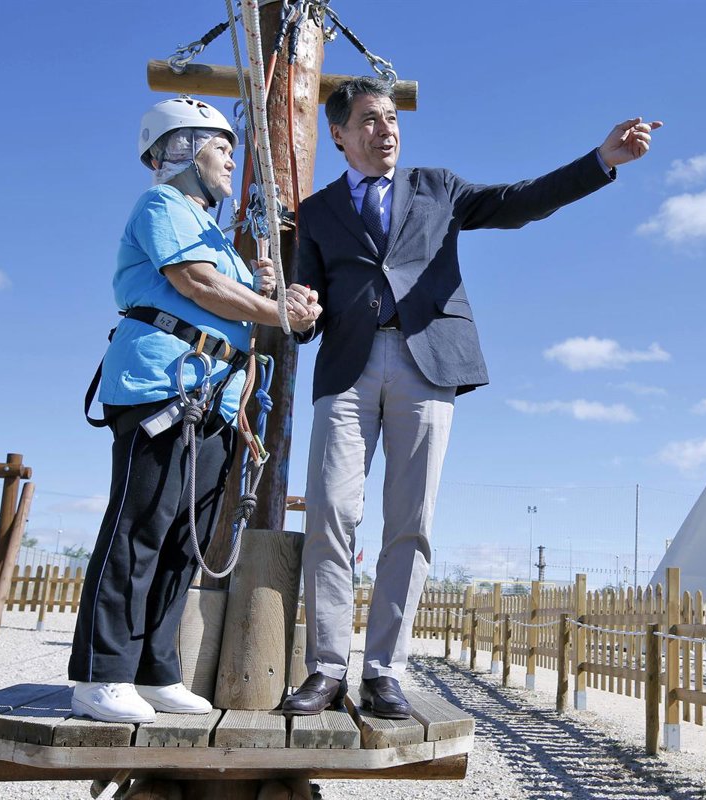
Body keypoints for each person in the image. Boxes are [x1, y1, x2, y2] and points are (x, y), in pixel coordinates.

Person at [283, 75, 661, 719]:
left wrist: (601, 160)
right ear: (339, 134)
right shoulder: (316, 212)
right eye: (370, 119)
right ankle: (326, 669)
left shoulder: (439, 187)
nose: (385, 129)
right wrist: (297, 311)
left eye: (391, 117)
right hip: (346, 370)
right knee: (330, 514)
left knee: (410, 522)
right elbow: (306, 310)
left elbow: (518, 201)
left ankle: (383, 671)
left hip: (426, 363)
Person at [68, 96, 321, 723]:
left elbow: (231, 289)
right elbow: (198, 284)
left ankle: (155, 670)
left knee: (186, 537)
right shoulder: (163, 206)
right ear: (181, 149)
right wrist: (280, 312)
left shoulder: (216, 236)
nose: (232, 160)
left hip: (214, 393)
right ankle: (102, 673)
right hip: (164, 382)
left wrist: (278, 295)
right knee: (141, 527)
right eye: (221, 147)